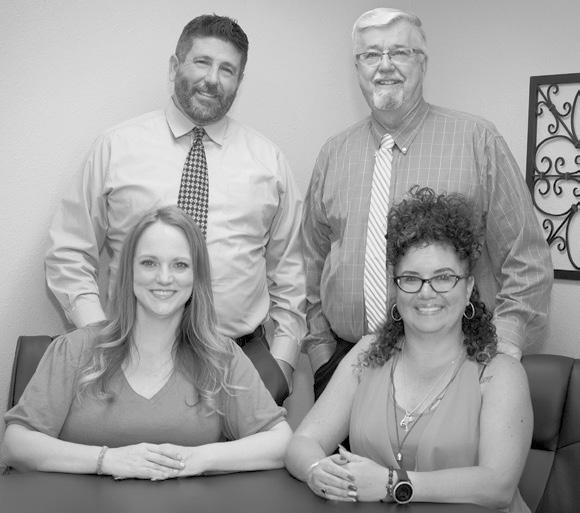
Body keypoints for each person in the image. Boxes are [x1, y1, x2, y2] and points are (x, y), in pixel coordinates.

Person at [45, 14, 305, 404]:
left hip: (238, 362)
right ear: (174, 67)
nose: (212, 79)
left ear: (239, 81)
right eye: (202, 62)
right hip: (129, 359)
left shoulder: (269, 163)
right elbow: (69, 251)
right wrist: (99, 339)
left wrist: (281, 365)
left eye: (227, 69)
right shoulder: (116, 148)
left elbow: (290, 275)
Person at [302, 7, 552, 399]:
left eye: (400, 52)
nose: (385, 66)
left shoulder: (478, 142)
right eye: (371, 54)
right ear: (357, 67)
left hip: (452, 365)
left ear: (423, 62)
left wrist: (501, 348)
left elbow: (527, 259)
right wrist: (321, 352)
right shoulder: (334, 154)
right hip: (344, 364)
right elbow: (310, 261)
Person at [286, 187, 532, 512]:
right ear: (396, 287)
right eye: (411, 278)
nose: (426, 293)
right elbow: (302, 443)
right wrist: (317, 470)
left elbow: (498, 485)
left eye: (444, 277)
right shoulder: (367, 354)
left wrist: (394, 483)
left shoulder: (500, 372)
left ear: (468, 287)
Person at [2, 206, 292, 479]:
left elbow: (280, 442)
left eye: (180, 265)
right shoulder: (74, 350)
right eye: (149, 263)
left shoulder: (222, 357)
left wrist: (199, 458)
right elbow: (16, 444)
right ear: (129, 272)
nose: (164, 278)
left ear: (196, 277)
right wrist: (107, 460)